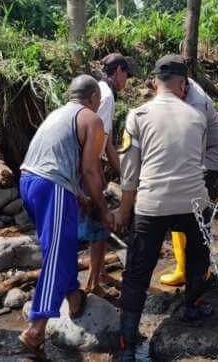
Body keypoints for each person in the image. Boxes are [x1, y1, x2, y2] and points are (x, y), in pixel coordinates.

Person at [114, 55, 213, 361]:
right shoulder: (198, 116)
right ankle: (191, 308)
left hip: (152, 204)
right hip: (193, 202)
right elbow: (198, 161)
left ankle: (126, 345)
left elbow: (129, 174)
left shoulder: (138, 115)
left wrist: (124, 211)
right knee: (199, 255)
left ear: (155, 83)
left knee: (137, 273)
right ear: (183, 86)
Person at [18, 75, 112, 359]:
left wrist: (80, 199)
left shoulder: (57, 114)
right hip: (52, 186)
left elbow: (58, 160)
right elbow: (90, 171)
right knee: (58, 255)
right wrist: (102, 208)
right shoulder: (91, 119)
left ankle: (73, 296)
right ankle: (36, 328)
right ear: (94, 98)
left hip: (29, 181)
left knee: (64, 245)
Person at [159, 75, 218, 287]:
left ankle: (196, 271)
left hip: (210, 162)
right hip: (200, 159)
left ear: (181, 85)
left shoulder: (195, 104)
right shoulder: (180, 90)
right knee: (184, 214)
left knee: (195, 216)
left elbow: (194, 147)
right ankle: (188, 267)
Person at [80, 53, 132, 296]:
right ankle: (93, 284)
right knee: (100, 224)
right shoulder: (107, 96)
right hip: (87, 165)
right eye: (127, 75)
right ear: (118, 71)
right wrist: (122, 177)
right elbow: (101, 140)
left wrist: (124, 173)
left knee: (94, 225)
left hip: (84, 162)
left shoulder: (98, 89)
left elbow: (108, 143)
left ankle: (97, 272)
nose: (127, 80)